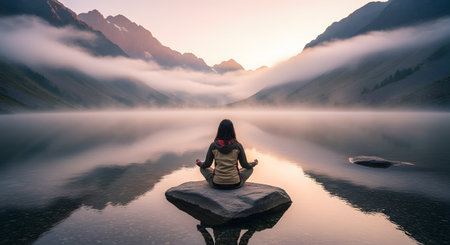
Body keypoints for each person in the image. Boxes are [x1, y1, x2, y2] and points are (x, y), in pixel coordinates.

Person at [196, 119, 258, 189]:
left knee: (202, 169)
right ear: (232, 130)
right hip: (235, 183)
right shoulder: (238, 146)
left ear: (219, 130)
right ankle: (234, 178)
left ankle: (218, 178)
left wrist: (199, 163)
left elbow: (207, 164)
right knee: (250, 169)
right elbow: (245, 165)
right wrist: (254, 163)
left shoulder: (213, 145)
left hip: (217, 183)